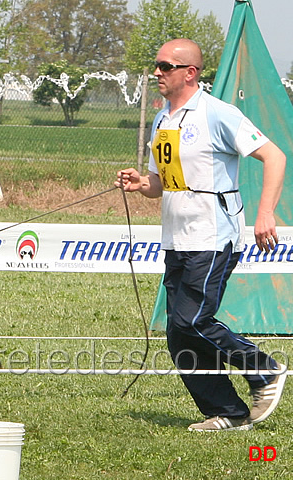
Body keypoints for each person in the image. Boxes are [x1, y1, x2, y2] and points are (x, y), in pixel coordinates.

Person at [116, 39, 287, 432]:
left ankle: (264, 369)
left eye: (165, 66)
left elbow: (274, 156)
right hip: (177, 239)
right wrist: (140, 183)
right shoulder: (162, 119)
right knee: (179, 333)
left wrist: (265, 213)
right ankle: (228, 411)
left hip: (213, 236)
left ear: (190, 73)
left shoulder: (217, 113)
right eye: (156, 65)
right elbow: (161, 185)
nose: (156, 72)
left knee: (191, 319)